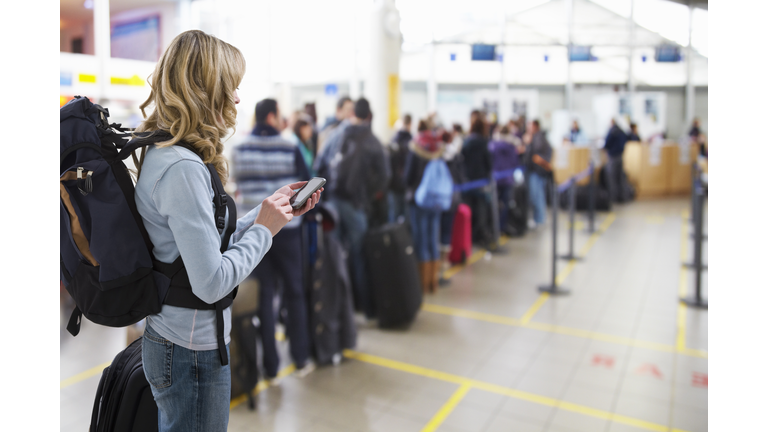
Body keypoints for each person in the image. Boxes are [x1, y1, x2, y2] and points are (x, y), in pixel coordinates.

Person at [132, 30, 321, 432]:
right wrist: (265, 232)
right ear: (205, 89)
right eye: (230, 87)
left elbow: (203, 246)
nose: (237, 100)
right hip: (189, 352)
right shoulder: (181, 168)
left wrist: (267, 213)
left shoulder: (169, 154)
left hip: (185, 343)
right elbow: (211, 282)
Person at [230, 98, 317, 386]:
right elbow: (305, 184)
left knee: (264, 296)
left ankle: (270, 366)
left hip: (257, 231)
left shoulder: (239, 148)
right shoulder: (289, 145)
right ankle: (301, 357)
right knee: (294, 291)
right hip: (289, 231)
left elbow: (237, 185)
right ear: (270, 117)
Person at [330, 98, 390, 320]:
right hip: (355, 205)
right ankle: (364, 307)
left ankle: (338, 308)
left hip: (333, 202)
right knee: (359, 256)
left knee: (336, 256)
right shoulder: (373, 141)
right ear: (370, 116)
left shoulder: (339, 135)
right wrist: (369, 197)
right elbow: (384, 177)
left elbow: (322, 164)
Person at [404, 120, 447, 294]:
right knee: (433, 240)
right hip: (436, 201)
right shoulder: (438, 148)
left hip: (418, 201)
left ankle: (422, 284)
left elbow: (407, 177)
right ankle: (433, 283)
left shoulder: (416, 148)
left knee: (420, 240)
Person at [461, 113, 494, 247]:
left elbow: (461, 160)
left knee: (469, 210)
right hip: (481, 182)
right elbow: (488, 163)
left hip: (468, 181)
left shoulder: (466, 142)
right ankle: (479, 235)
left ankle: (469, 237)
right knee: (481, 211)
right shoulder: (484, 143)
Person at [488, 125, 522, 236]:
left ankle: (493, 227)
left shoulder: (492, 145)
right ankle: (501, 227)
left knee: (494, 204)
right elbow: (515, 162)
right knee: (505, 205)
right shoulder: (511, 147)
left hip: (495, 179)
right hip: (507, 179)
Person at [523, 119, 553, 229]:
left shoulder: (537, 138)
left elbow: (534, 154)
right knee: (538, 195)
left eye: (530, 125)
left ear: (535, 126)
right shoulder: (540, 137)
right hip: (538, 171)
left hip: (537, 171)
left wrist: (527, 144)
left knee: (536, 196)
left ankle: (539, 219)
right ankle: (539, 218)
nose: (528, 127)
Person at [388, 113, 413, 223]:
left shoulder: (393, 140)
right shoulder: (413, 142)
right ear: (410, 124)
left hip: (393, 184)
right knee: (407, 215)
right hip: (407, 184)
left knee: (393, 213)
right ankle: (405, 238)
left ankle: (392, 239)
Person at [603, 119, 629, 203]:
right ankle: (623, 197)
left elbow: (606, 144)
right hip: (620, 157)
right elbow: (627, 139)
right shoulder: (622, 131)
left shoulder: (612, 131)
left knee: (612, 178)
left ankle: (613, 198)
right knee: (621, 178)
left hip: (613, 157)